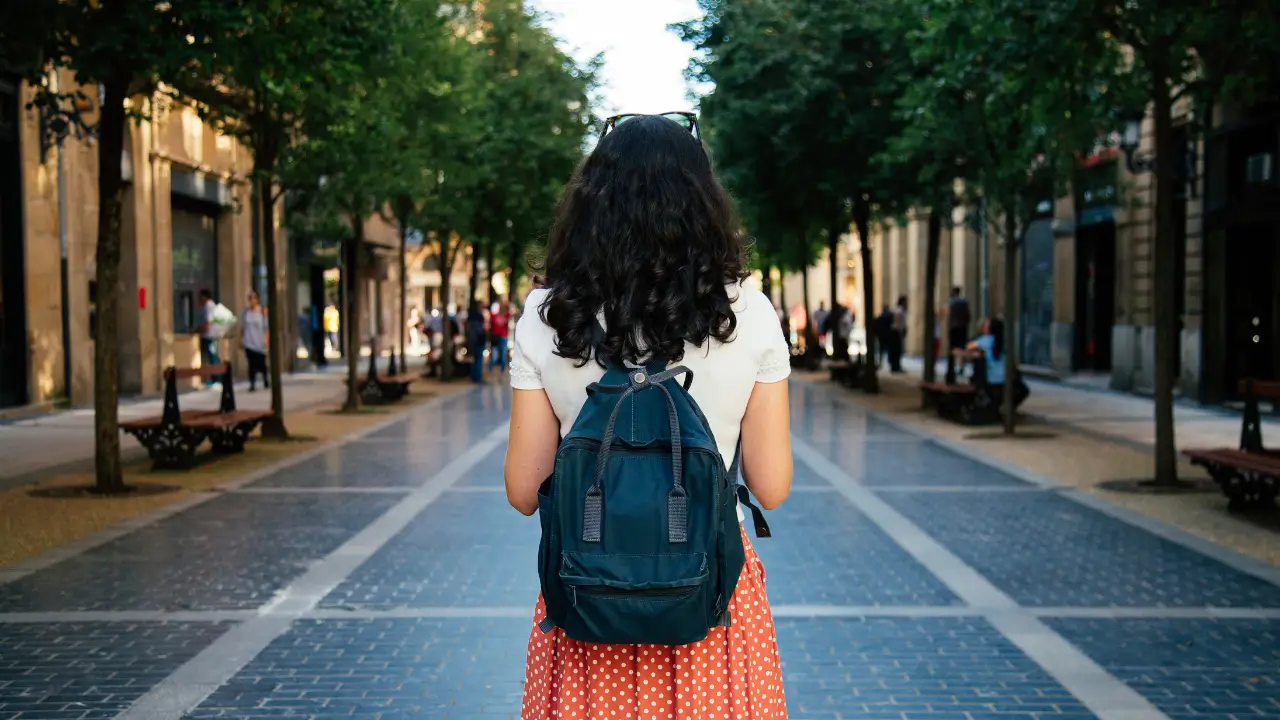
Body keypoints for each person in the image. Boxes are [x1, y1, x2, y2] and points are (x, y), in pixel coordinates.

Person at [505, 114, 792, 719]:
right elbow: (770, 485)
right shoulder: (749, 313)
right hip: (707, 596)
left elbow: (525, 491)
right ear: (704, 204)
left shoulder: (547, 315)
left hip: (589, 596)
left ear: (587, 206)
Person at [241, 291, 269, 392]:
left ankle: (265, 379)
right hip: (249, 342)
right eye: (250, 299)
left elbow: (266, 328)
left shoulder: (262, 311)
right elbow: (243, 327)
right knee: (251, 364)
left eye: (254, 298)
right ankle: (252, 383)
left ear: (257, 300)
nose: (252, 301)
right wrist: (242, 339)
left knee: (262, 363)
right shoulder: (245, 313)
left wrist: (266, 340)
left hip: (259, 342)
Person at [945, 286, 971, 382]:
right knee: (963, 348)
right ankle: (961, 367)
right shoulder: (964, 302)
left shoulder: (951, 302)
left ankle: (950, 370)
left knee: (952, 350)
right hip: (962, 327)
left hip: (954, 327)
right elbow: (968, 315)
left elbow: (948, 313)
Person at [197, 289, 221, 387]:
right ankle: (215, 378)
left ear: (204, 297)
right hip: (210, 335)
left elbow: (207, 323)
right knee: (212, 357)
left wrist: (198, 330)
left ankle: (216, 379)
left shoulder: (209, 306)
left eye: (200, 297)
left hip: (210, 336)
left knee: (212, 358)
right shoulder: (210, 306)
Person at [488, 298, 512, 377]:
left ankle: (501, 373)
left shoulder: (507, 315)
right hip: (496, 337)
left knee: (502, 356)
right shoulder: (494, 315)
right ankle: (490, 371)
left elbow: (515, 312)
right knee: (495, 356)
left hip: (503, 337)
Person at [465, 300, 486, 383]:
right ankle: (477, 377)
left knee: (475, 359)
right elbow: (480, 329)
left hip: (473, 340)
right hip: (478, 340)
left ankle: (474, 376)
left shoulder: (471, 316)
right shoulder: (479, 316)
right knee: (478, 359)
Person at [890, 295, 907, 373]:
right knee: (896, 350)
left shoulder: (900, 310)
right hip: (896, 332)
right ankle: (895, 366)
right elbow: (898, 322)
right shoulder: (899, 310)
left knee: (897, 350)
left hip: (897, 332)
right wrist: (900, 331)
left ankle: (896, 366)